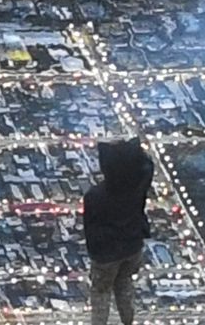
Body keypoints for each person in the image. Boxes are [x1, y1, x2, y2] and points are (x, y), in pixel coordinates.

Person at [79, 138, 152, 325]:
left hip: (106, 254)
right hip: (133, 246)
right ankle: (128, 321)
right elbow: (147, 165)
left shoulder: (95, 196)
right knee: (124, 283)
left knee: (101, 292)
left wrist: (95, 252)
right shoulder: (139, 185)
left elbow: (91, 227)